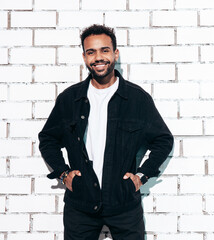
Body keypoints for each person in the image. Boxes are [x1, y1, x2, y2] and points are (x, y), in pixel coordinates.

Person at [38, 24, 173, 240]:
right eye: (91, 52)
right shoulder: (69, 99)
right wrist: (64, 174)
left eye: (104, 50)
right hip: (80, 205)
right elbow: (47, 139)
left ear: (115, 53)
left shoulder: (137, 99)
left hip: (124, 204)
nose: (98, 57)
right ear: (84, 57)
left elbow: (163, 140)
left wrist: (141, 175)